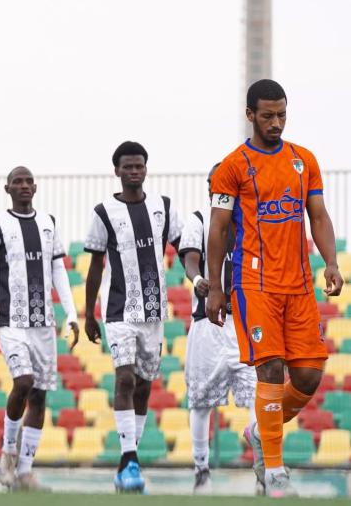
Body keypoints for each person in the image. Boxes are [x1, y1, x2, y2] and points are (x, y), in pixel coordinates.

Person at [206, 79, 343, 497]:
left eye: (282, 114)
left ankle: (259, 431)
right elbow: (219, 228)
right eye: (267, 115)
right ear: (250, 115)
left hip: (298, 285)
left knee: (308, 375)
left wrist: (331, 262)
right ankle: (276, 471)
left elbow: (318, 216)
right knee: (269, 369)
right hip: (254, 284)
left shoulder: (304, 160)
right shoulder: (232, 167)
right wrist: (216, 288)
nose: (276, 123)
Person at [84, 141, 181, 494]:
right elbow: (96, 264)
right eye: (128, 166)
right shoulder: (103, 212)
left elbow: (184, 247)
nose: (134, 171)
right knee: (124, 378)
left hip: (153, 312)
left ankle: (128, 463)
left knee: (143, 385)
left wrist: (201, 277)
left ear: (145, 168)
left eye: (139, 165)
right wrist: (88, 313)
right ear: (117, 170)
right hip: (118, 310)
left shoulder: (163, 208)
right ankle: (129, 459)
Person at [0, 166, 79, 492]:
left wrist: (71, 313)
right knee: (23, 382)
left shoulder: (49, 223)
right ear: (7, 188)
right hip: (11, 321)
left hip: (43, 323)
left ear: (35, 187)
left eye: (28, 181)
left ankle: (25, 472)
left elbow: (59, 270)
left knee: (39, 394)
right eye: (17, 181)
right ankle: (8, 453)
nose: (24, 185)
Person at [180, 164, 261, 493]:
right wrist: (199, 279)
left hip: (246, 322)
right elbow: (190, 258)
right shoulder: (199, 219)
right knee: (201, 401)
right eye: (216, 184)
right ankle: (201, 470)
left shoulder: (252, 220)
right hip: (208, 323)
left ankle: (264, 469)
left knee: (259, 396)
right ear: (209, 187)